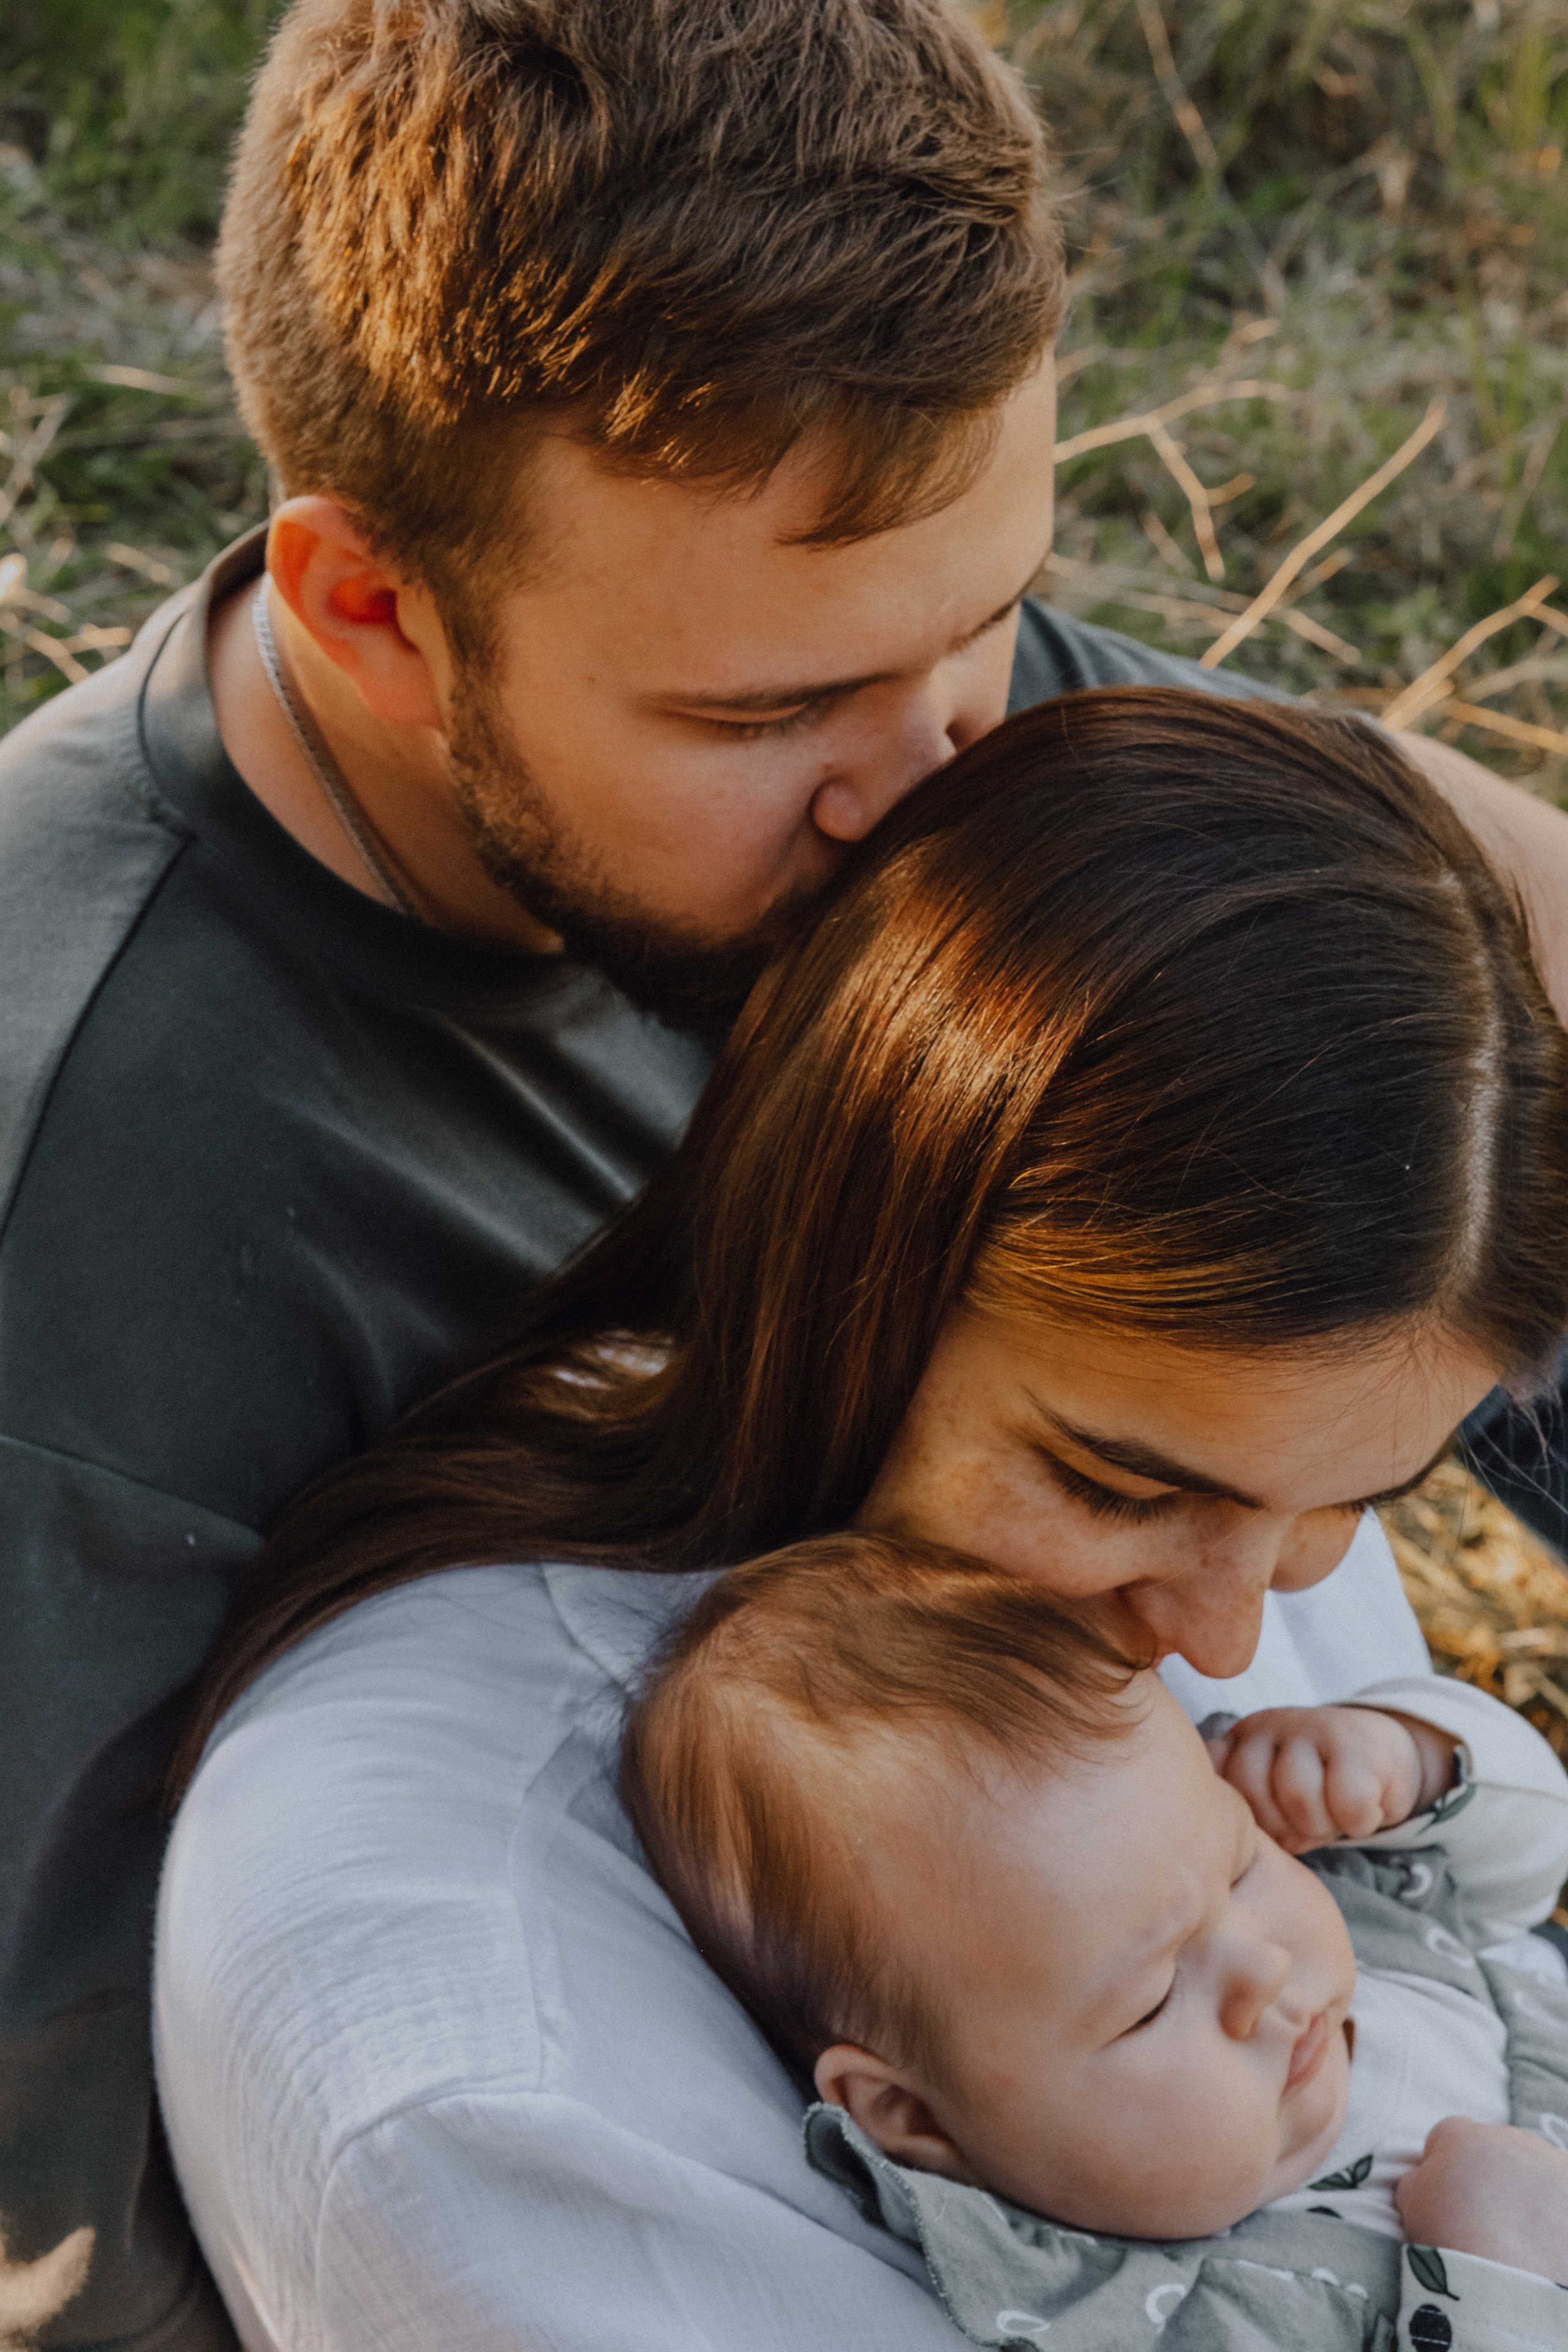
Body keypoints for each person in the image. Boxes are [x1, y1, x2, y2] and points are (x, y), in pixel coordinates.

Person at [156, 690, 1568, 2349]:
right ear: (849, 1264)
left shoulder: (1222, 1440)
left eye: (1355, 1501)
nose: (1229, 1641)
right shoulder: (496, 2053)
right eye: (1118, 1487)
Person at [623, 1531, 1568, 2351]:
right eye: (1151, 2003)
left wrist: (1411, 1759)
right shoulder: (1180, 2315)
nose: (1264, 1962)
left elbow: (1526, 1875)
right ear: (913, 2116)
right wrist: (1499, 2292)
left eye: (1242, 1864)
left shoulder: (1319, 1880)